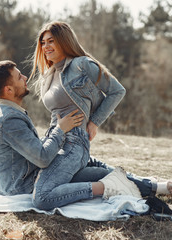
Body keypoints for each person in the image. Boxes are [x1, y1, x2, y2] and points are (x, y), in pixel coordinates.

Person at [0, 60, 171, 210]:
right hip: (22, 185)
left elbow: (30, 151)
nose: (24, 77)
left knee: (95, 167)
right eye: (18, 77)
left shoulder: (8, 111)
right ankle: (132, 186)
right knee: (97, 175)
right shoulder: (8, 120)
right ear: (8, 90)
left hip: (25, 175)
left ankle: (156, 186)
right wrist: (60, 129)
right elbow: (41, 158)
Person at [27, 21, 129, 209]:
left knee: (42, 198)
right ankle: (158, 186)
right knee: (105, 174)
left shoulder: (81, 64)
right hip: (54, 141)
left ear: (64, 41)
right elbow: (56, 114)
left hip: (74, 143)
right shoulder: (49, 75)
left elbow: (117, 91)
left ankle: (109, 188)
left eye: (51, 41)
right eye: (43, 42)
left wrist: (94, 122)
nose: (46, 47)